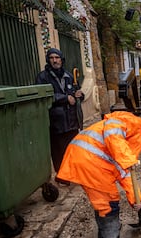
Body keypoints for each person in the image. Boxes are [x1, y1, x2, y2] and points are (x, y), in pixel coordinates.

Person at [56, 111, 141, 238]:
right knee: (108, 204)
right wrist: (127, 159)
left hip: (87, 160)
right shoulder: (133, 124)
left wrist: (136, 199)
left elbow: (125, 173)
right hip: (91, 162)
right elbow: (112, 131)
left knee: (103, 203)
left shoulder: (128, 136)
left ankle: (106, 236)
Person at [36, 48, 84, 185]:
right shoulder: (43, 77)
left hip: (71, 120)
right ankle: (62, 176)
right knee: (58, 151)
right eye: (52, 58)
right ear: (48, 60)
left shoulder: (69, 75)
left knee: (73, 148)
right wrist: (65, 98)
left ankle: (73, 173)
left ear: (62, 60)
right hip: (56, 121)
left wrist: (80, 94)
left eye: (57, 57)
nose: (55, 60)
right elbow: (44, 95)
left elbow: (75, 91)